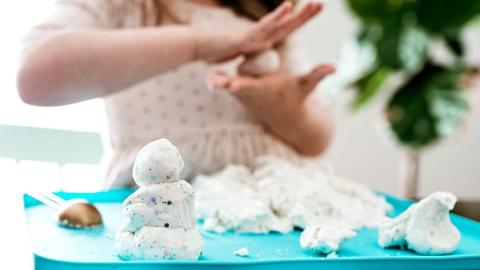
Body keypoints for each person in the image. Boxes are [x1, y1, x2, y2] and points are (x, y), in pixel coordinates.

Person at [17, 0, 335, 187]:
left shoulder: (263, 14)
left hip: (281, 198)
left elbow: (317, 141)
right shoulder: (125, 7)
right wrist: (197, 45)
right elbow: (35, 76)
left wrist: (285, 110)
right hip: (158, 205)